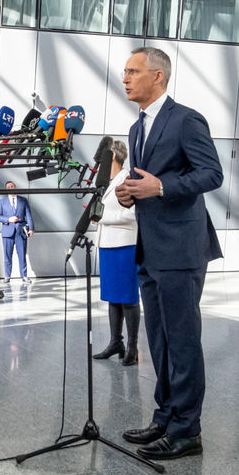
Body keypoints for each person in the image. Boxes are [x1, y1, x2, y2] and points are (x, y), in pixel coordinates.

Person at [114, 47, 223, 461]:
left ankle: (186, 431)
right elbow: (144, 180)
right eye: (124, 72)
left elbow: (211, 173)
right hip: (150, 247)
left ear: (157, 76)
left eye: (132, 71)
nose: (125, 78)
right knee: (158, 341)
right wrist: (129, 194)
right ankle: (164, 417)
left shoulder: (186, 119)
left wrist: (160, 188)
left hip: (180, 248)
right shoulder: (136, 128)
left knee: (182, 342)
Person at [93, 140, 140, 366]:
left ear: (112, 156)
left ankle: (132, 346)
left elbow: (134, 214)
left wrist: (103, 218)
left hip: (124, 245)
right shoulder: (104, 182)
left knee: (128, 298)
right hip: (107, 244)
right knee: (113, 297)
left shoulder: (128, 178)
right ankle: (115, 342)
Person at [0, 180, 34, 282]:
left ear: (16, 187)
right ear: (6, 190)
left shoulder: (23, 200)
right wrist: (8, 219)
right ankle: (7, 276)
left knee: (22, 255)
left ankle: (24, 276)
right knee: (7, 255)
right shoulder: (2, 201)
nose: (10, 188)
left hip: (21, 231)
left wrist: (31, 228)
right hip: (7, 231)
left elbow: (28, 215)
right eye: (8, 187)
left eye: (12, 186)